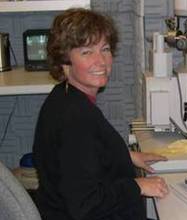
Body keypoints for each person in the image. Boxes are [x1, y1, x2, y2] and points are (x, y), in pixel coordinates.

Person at [32, 8, 169, 220]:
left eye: (105, 49)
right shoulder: (75, 118)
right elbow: (85, 205)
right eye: (87, 52)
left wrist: (125, 157)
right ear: (65, 61)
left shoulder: (64, 96)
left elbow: (78, 158)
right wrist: (137, 186)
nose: (101, 61)